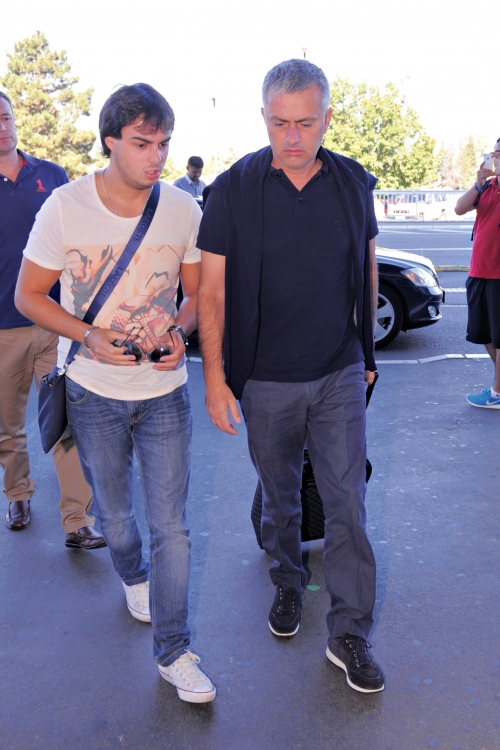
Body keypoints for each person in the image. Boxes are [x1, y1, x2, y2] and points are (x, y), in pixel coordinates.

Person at [15, 83, 216, 703]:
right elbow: (28, 296)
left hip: (164, 392)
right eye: (142, 143)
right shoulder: (65, 207)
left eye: (164, 144)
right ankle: (132, 575)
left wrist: (181, 333)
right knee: (117, 516)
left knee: (171, 526)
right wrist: (87, 335)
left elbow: (195, 296)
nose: (156, 156)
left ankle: (175, 652)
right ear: (110, 142)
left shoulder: (182, 209)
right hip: (92, 390)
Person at [197, 59, 385, 694]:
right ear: (264, 118)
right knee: (279, 498)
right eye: (280, 123)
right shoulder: (233, 190)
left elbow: (366, 267)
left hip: (338, 372)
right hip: (265, 379)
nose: (293, 136)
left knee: (347, 503)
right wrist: (216, 379)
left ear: (327, 118)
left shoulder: (353, 182)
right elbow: (212, 292)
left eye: (306, 123)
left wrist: (366, 354)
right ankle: (286, 581)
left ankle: (349, 632)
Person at [0, 91, 105, 549]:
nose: (2, 126)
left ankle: (77, 520)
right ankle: (18, 494)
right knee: (7, 425)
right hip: (3, 330)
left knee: (64, 421)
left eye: (6, 117)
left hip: (54, 324)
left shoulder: (52, 176)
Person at [455, 139, 500, 409]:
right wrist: (478, 183)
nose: (497, 158)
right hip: (479, 271)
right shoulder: (486, 188)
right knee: (484, 334)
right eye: (496, 153)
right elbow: (459, 208)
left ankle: (497, 393)